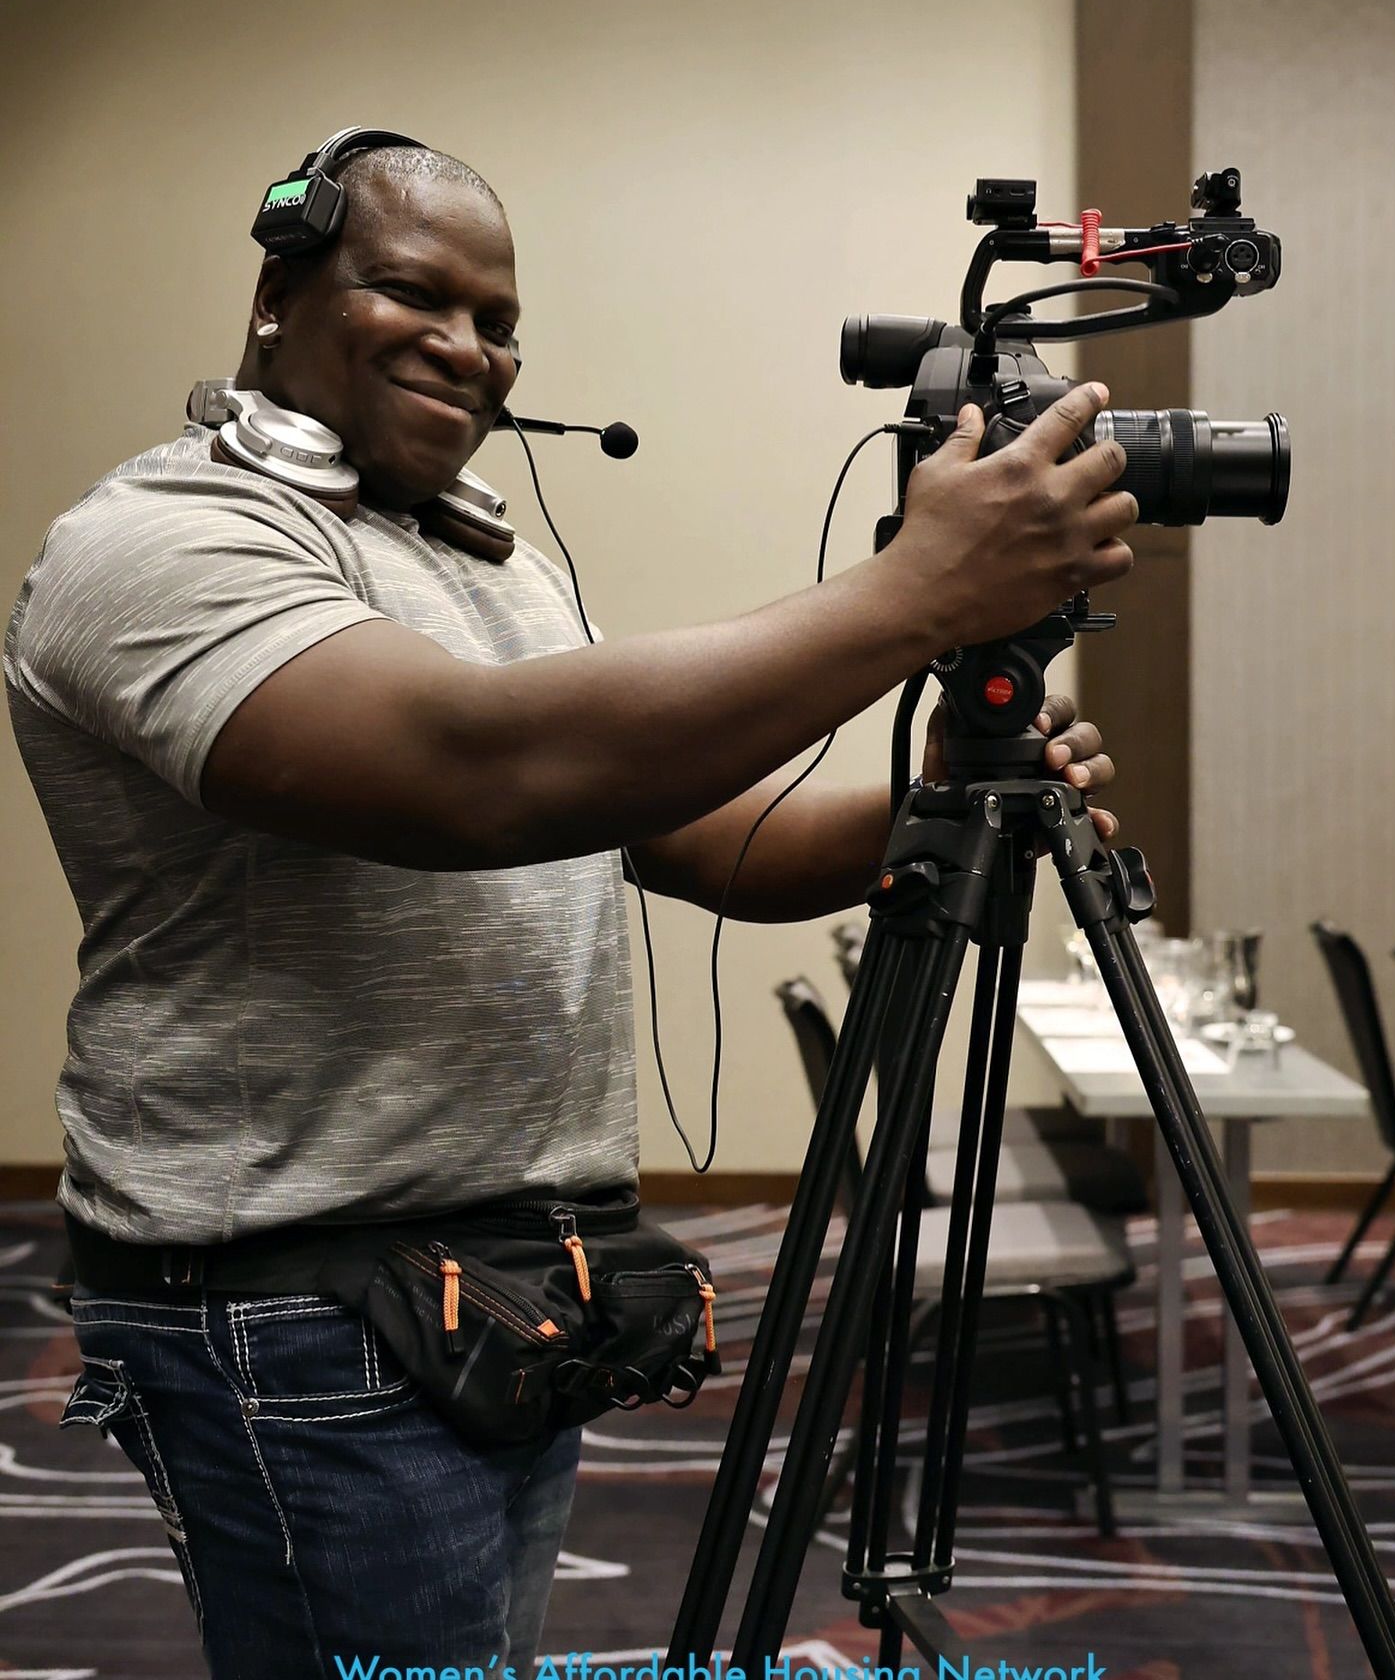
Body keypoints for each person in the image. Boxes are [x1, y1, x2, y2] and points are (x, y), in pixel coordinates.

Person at [3, 140, 1133, 1680]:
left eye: (500, 320)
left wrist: (931, 791)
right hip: (300, 1308)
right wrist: (916, 595)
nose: (469, 348)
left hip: (501, 1300)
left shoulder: (492, 566)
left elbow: (728, 843)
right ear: (279, 293)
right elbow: (480, 774)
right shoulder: (161, 543)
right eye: (415, 291)